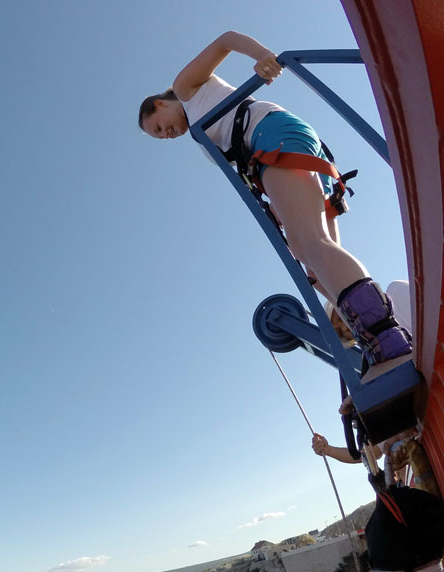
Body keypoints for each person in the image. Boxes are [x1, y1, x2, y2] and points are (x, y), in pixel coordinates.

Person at [138, 31, 411, 369]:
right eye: (161, 138)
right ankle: (380, 334)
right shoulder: (199, 125)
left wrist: (262, 56)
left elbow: (225, 40)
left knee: (309, 243)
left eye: (159, 128)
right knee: (314, 268)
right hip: (278, 147)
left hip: (273, 138)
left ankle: (386, 337)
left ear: (160, 104)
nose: (167, 135)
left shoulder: (185, 89)